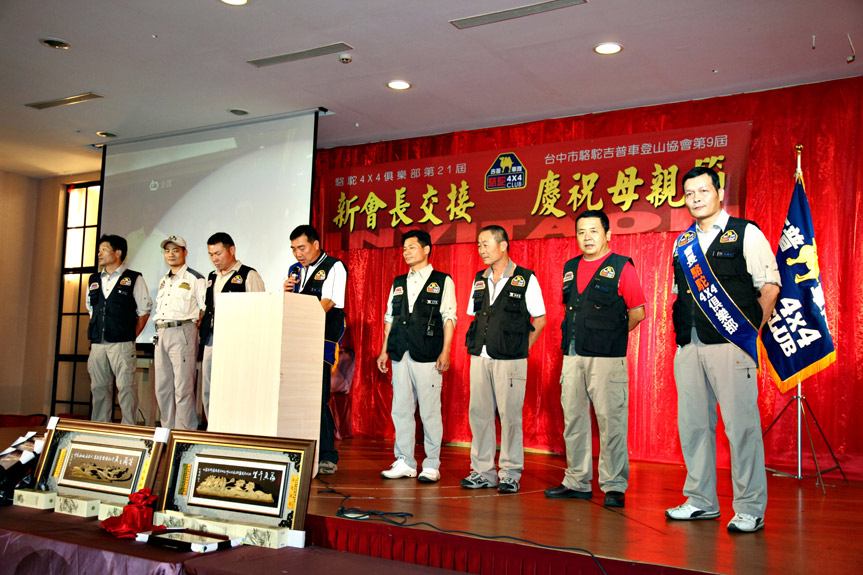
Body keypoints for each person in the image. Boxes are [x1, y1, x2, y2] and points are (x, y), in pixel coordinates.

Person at [665, 166, 780, 533]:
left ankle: (749, 507)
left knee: (741, 428)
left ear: (719, 193)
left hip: (732, 344)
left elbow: (769, 287)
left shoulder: (746, 233)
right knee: (694, 427)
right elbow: (679, 294)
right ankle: (701, 500)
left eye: (703, 190)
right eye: (689, 193)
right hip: (689, 345)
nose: (696, 198)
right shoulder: (682, 243)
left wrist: (747, 334)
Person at [544, 210, 646, 507]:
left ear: (607, 234)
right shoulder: (571, 267)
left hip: (606, 358)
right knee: (573, 419)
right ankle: (577, 481)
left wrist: (610, 335)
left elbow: (638, 312)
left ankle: (614, 485)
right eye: (581, 232)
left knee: (611, 421)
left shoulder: (622, 266)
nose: (587, 237)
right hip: (573, 355)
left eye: (593, 231)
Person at [461, 225, 546, 494]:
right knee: (479, 415)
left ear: (503, 245)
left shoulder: (525, 278)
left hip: (511, 359)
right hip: (480, 356)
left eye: (486, 244)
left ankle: (510, 473)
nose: (481, 250)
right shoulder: (479, 279)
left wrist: (521, 348)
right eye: (479, 245)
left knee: (510, 416)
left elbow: (540, 319)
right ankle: (483, 472)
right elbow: (475, 316)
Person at [375, 230, 457, 483]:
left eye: (412, 247)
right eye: (404, 248)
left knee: (430, 412)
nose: (406, 252)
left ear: (426, 249)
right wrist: (384, 350)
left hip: (428, 354)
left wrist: (446, 351)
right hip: (400, 352)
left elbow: (449, 317)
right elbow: (390, 318)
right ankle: (405, 461)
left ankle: (431, 464)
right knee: (400, 409)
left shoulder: (442, 280)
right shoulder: (399, 282)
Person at [283, 225, 347, 475]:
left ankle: (327, 455)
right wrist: (286, 292)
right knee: (297, 398)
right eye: (293, 249)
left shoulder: (334, 266)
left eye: (302, 248)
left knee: (317, 399)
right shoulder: (295, 270)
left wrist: (304, 323)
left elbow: (329, 302)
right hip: (296, 342)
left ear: (316, 245)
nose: (298, 254)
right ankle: (300, 452)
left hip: (321, 341)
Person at [86, 234, 152, 425]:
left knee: (126, 388)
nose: (99, 253)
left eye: (104, 249)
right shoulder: (94, 279)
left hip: (122, 344)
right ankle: (100, 428)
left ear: (118, 253)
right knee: (99, 388)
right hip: (98, 344)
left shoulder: (134, 278)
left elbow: (144, 311)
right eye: (99, 250)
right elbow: (91, 309)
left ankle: (129, 429)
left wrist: (129, 336)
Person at [199, 232, 266, 421]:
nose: (214, 259)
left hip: (238, 341)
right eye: (211, 254)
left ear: (232, 250)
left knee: (233, 385)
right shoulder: (211, 276)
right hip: (212, 338)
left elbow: (260, 309)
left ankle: (234, 426)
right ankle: (213, 426)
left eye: (218, 253)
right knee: (209, 386)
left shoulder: (248, 275)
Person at [152, 235, 206, 430]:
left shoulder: (195, 278)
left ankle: (184, 432)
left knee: (183, 388)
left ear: (185, 252)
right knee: (163, 387)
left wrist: (190, 331)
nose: (171, 254)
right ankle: (167, 431)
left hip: (182, 331)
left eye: (176, 250)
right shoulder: (164, 280)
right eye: (167, 251)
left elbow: (204, 309)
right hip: (161, 333)